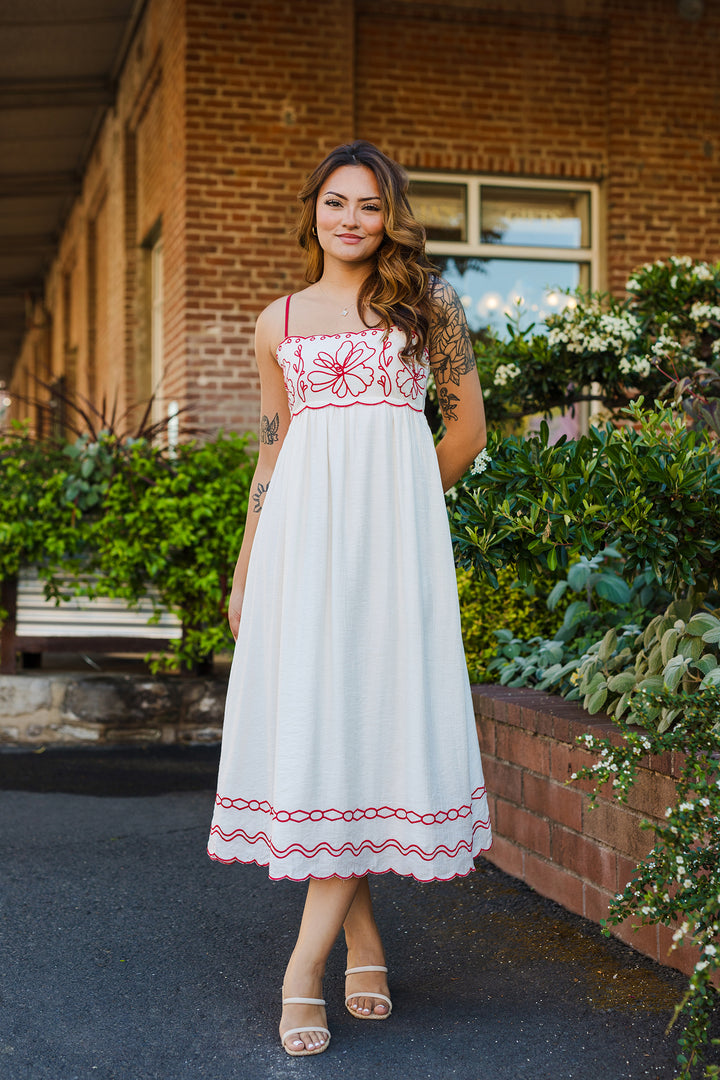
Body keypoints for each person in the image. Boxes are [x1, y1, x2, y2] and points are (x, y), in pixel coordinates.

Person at [207, 141, 492, 1057]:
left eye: (370, 206)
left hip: (391, 557)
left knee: (370, 722)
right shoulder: (277, 320)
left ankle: (302, 969)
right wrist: (248, 566)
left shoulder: (428, 305)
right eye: (337, 203)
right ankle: (361, 943)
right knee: (329, 730)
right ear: (314, 212)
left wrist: (401, 512)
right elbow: (272, 447)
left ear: (390, 215)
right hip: (300, 553)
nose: (352, 220)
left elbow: (468, 429)